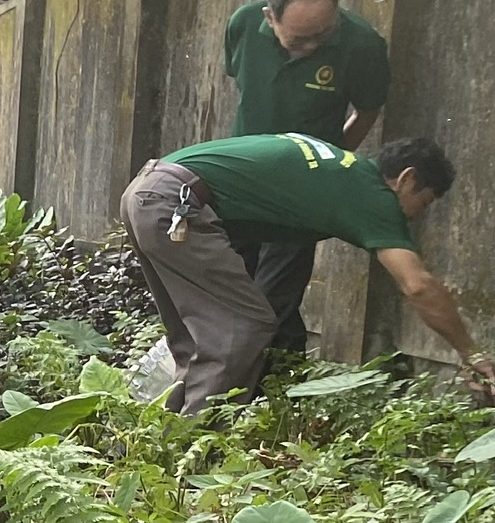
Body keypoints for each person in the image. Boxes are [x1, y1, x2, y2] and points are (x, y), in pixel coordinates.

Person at [120, 133, 493, 413]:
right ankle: (194, 442)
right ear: (407, 179)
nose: (414, 216)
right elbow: (419, 286)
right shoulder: (372, 194)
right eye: (422, 204)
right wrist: (471, 353)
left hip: (150, 191)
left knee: (197, 336)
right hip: (176, 204)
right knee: (245, 325)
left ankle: (165, 438)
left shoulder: (342, 169)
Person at [222, 0, 393, 352]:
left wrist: (326, 165)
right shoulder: (244, 25)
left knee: (274, 297)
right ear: (270, 17)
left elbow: (366, 110)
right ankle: (261, 379)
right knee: (229, 288)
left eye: (323, 35)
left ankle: (267, 393)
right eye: (299, 40)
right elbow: (242, 84)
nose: (312, 47)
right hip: (239, 179)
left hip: (300, 191)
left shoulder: (362, 44)